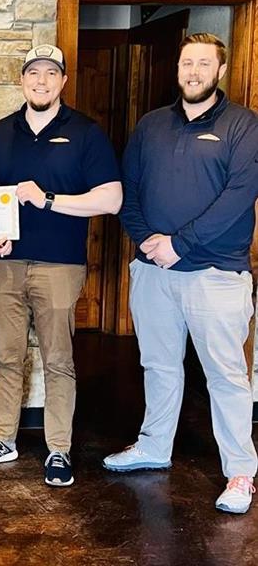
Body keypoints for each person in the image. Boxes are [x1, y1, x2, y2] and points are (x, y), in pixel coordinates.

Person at [103, 33, 258, 514]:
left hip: (215, 273)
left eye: (203, 64)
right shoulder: (151, 125)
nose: (193, 71)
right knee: (159, 365)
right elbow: (127, 189)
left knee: (226, 376)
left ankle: (240, 472)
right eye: (186, 62)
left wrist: (180, 243)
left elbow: (238, 197)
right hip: (153, 272)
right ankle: (154, 445)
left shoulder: (244, 125)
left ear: (220, 70)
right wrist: (148, 240)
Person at [0, 44, 122, 487]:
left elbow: (110, 199)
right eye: (33, 72)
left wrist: (48, 199)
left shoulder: (86, 133)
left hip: (60, 265)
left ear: (63, 81)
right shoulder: (0, 133)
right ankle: (1, 439)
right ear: (22, 80)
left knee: (58, 360)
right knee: (7, 357)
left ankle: (58, 448)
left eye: (50, 73)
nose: (41, 80)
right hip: (6, 265)